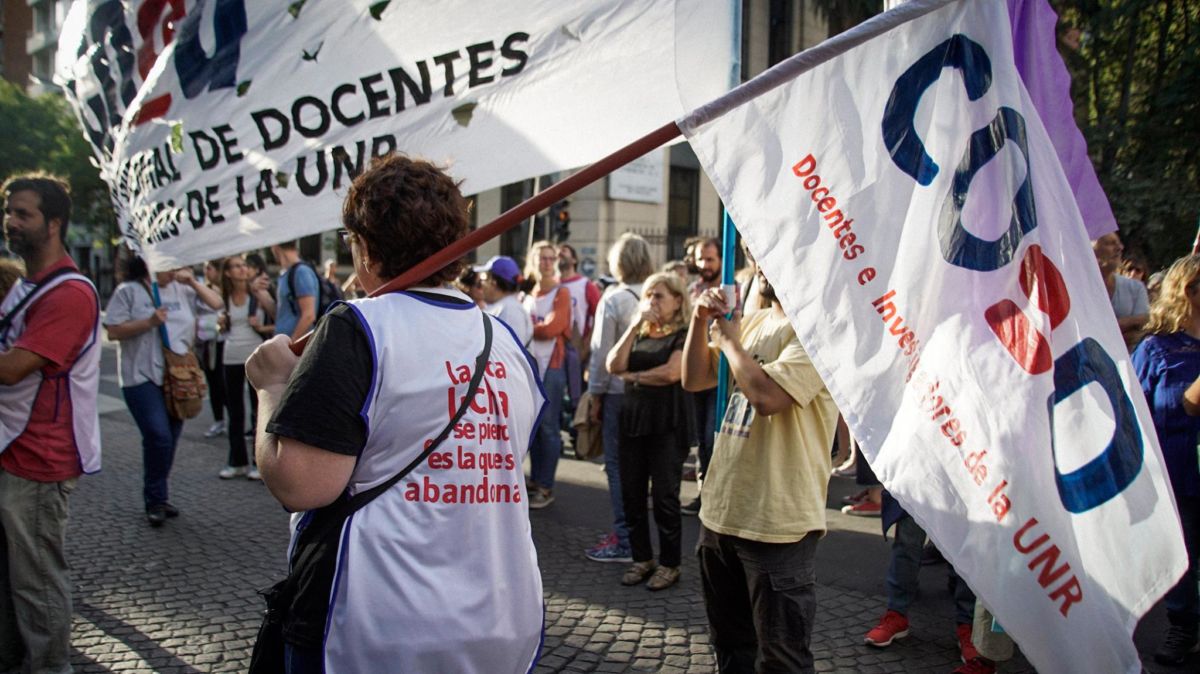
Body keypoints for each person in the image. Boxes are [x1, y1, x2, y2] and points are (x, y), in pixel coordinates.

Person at [246, 153, 545, 671]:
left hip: (374, 626)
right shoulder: (505, 342)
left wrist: (271, 386)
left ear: (364, 247)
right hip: (499, 623)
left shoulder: (357, 327)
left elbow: (300, 484)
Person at [682, 266, 836, 673]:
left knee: (783, 660)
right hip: (721, 514)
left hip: (778, 523)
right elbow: (695, 379)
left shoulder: (821, 331)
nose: (763, 262)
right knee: (730, 649)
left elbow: (767, 396)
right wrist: (700, 323)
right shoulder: (756, 321)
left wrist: (731, 344)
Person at [0, 174, 101, 673]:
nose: (11, 223)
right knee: (15, 575)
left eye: (24, 214)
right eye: (9, 212)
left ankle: (50, 667)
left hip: (41, 457)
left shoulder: (69, 293)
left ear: (55, 223)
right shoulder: (29, 285)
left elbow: (14, 366)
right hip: (14, 448)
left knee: (37, 579)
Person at [104, 257, 221, 525]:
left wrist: (191, 279)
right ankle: (154, 498)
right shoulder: (129, 291)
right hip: (141, 376)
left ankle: (159, 495)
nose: (172, 268)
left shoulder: (184, 289)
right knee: (158, 436)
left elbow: (217, 304)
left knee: (171, 436)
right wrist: (148, 322)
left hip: (176, 376)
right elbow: (112, 331)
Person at [606, 272, 692, 591]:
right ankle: (642, 558)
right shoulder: (639, 331)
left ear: (677, 300)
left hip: (667, 421)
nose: (652, 301)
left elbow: (672, 373)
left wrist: (634, 377)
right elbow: (613, 365)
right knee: (632, 491)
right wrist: (632, 326)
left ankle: (670, 563)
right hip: (634, 419)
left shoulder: (683, 333)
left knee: (665, 495)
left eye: (659, 296)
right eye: (649, 295)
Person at [1135, 254, 1200, 665]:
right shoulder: (1157, 348)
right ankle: (1183, 626)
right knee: (1184, 555)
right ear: (1189, 291)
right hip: (1177, 472)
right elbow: (1137, 413)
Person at [584, 233, 654, 564]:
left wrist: (594, 392)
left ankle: (625, 538)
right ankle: (636, 537)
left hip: (617, 391)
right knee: (644, 467)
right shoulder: (658, 294)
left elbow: (601, 353)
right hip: (652, 390)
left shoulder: (613, 298)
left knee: (617, 466)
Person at [862, 495, 981, 668]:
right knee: (908, 541)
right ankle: (896, 611)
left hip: (963, 479)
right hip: (921, 480)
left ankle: (968, 624)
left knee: (966, 547)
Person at [683, 237, 737, 516]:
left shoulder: (732, 290)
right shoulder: (693, 289)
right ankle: (704, 493)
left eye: (710, 259)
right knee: (701, 441)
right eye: (701, 259)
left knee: (712, 434)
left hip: (719, 375)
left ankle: (717, 494)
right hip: (696, 372)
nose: (705, 265)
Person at [523, 240, 572, 509]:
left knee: (550, 427)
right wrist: (535, 326)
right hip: (530, 366)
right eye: (542, 258)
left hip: (552, 366)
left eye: (551, 258)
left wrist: (532, 326)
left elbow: (554, 327)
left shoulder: (561, 293)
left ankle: (546, 485)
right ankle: (535, 480)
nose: (547, 262)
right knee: (534, 425)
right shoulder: (527, 292)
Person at [217, 254, 270, 480]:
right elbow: (220, 330)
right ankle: (236, 461)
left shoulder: (256, 294)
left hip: (255, 355)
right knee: (235, 411)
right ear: (227, 272)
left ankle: (259, 463)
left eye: (244, 265)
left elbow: (278, 316)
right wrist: (220, 325)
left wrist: (262, 325)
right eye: (236, 266)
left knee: (258, 411)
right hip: (230, 357)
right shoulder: (224, 296)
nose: (242, 269)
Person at [1093, 232, 1148, 351]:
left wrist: (1102, 330)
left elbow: (1140, 333)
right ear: (1090, 250)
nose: (1119, 248)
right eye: (1109, 243)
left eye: (1118, 243)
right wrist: (1130, 322)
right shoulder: (1077, 287)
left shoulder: (1135, 288)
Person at [197, 258, 228, 439]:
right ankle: (218, 419)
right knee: (213, 383)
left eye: (209, 268)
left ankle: (229, 419)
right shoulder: (201, 289)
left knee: (224, 385)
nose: (206, 271)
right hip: (207, 342)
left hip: (223, 342)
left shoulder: (227, 289)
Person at [477, 255, 532, 345]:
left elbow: (512, 352)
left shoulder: (510, 310)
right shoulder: (505, 306)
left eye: (484, 279)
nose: (481, 284)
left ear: (493, 283)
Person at [271, 240, 318, 341]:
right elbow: (283, 311)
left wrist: (291, 344)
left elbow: (309, 315)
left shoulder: (301, 272)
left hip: (295, 347)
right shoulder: (289, 272)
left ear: (275, 247)